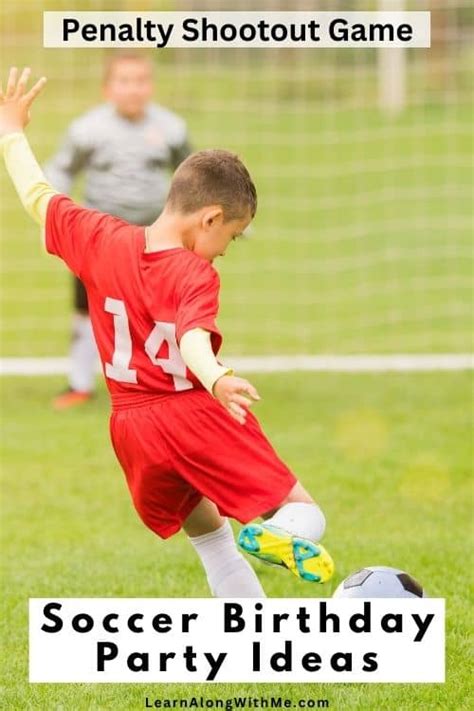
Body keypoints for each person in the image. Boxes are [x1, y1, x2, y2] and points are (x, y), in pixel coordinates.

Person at [1, 67, 334, 597]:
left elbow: (37, 196)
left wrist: (10, 130)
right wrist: (218, 377)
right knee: (305, 515)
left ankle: (252, 634)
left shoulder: (100, 239)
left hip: (132, 428)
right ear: (209, 218)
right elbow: (192, 339)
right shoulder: (195, 273)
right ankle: (274, 534)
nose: (226, 248)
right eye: (232, 235)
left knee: (210, 537)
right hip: (190, 413)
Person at [44, 52, 192, 409]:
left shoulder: (171, 128)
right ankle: (79, 383)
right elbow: (60, 170)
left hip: (154, 235)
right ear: (107, 89)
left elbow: (191, 175)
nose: (133, 89)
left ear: (151, 86)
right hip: (100, 237)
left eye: (140, 81)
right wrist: (57, 216)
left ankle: (170, 380)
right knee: (88, 306)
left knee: (163, 307)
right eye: (124, 81)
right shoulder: (88, 129)